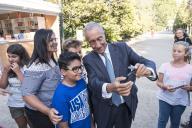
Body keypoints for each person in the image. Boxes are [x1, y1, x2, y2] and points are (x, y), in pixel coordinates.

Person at [82, 21, 157, 128]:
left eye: (100, 38)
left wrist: (147, 70)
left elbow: (145, 61)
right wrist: (109, 87)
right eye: (92, 42)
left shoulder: (122, 48)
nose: (98, 45)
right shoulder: (88, 59)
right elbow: (93, 82)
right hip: (103, 109)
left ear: (104, 34)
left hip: (125, 105)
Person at [21, 29, 61, 128]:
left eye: (55, 39)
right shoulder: (37, 66)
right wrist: (47, 111)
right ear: (41, 42)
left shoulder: (51, 60)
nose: (55, 42)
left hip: (51, 110)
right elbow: (27, 94)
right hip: (40, 114)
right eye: (51, 40)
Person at [52, 51, 93, 128]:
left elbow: (87, 107)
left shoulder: (81, 82)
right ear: (63, 71)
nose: (80, 71)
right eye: (75, 69)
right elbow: (63, 125)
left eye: (80, 67)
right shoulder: (60, 95)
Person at [156, 41, 192, 128]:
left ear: (186, 53)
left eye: (179, 51)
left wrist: (189, 88)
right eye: (174, 50)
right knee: (162, 120)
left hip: (180, 100)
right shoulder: (164, 66)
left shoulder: (190, 69)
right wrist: (164, 86)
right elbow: (158, 82)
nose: (175, 53)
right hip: (165, 98)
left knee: (175, 122)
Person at [0, 44, 31, 128]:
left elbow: (28, 86)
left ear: (21, 56)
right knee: (21, 126)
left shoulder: (28, 67)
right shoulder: (8, 68)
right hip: (14, 104)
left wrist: (18, 72)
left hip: (29, 104)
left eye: (14, 57)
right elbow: (2, 86)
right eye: (9, 56)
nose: (10, 59)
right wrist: (5, 71)